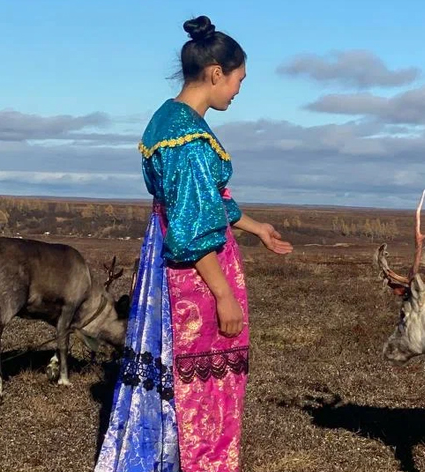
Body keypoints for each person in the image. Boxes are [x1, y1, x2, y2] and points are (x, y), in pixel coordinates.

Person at [95, 15, 293, 472]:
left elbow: (201, 205)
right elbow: (189, 228)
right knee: (200, 381)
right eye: (239, 80)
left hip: (166, 267)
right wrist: (223, 294)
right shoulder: (187, 140)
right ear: (216, 72)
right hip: (195, 279)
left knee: (167, 368)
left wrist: (257, 226)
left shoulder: (168, 120)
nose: (239, 91)